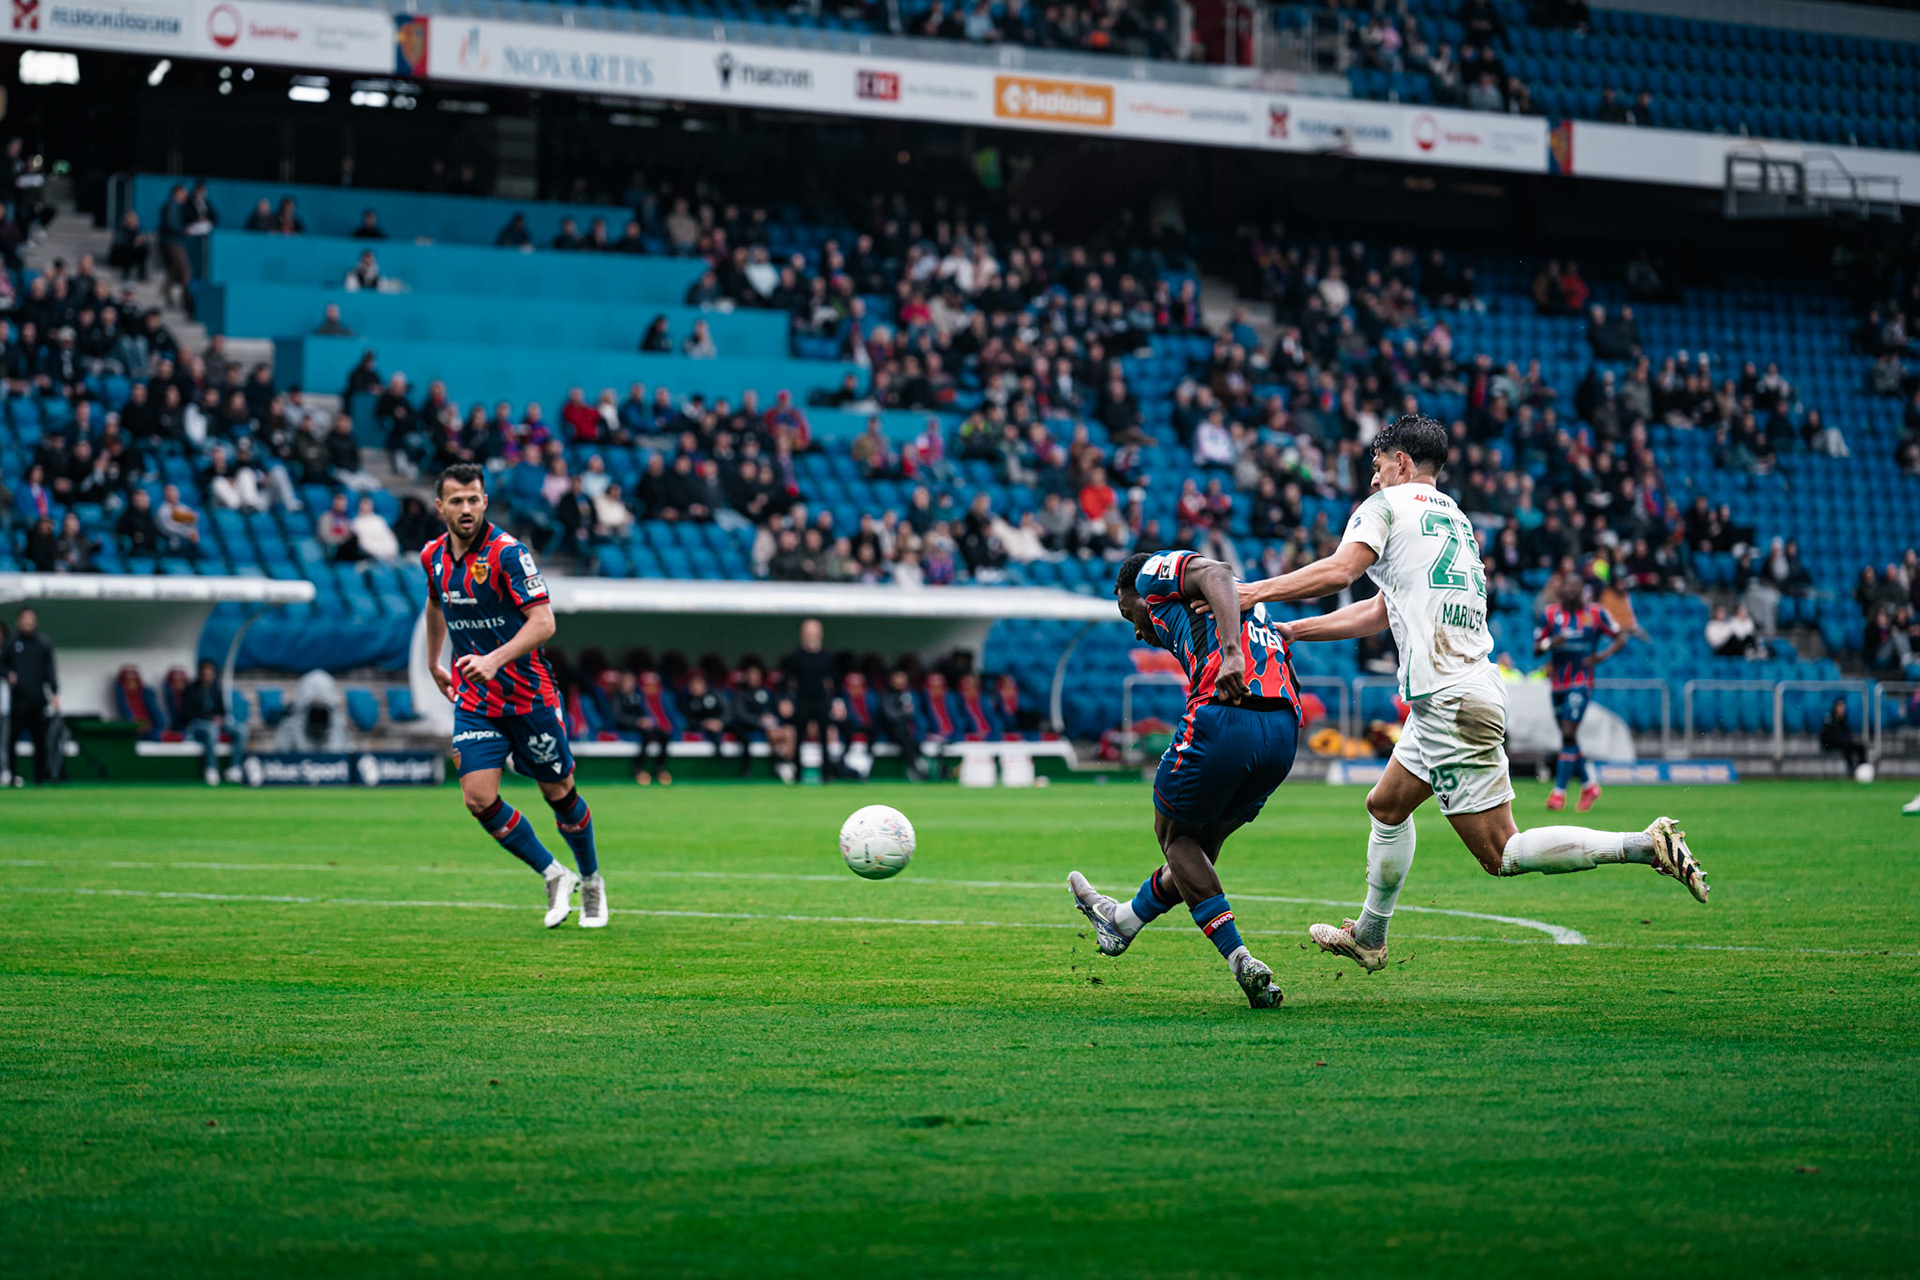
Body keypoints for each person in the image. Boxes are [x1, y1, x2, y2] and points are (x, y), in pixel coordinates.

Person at [1225, 414, 1708, 972]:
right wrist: (1294, 630)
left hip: (1448, 698)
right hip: (1461, 688)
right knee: (1386, 804)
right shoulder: (1455, 518)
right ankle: (1370, 936)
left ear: (1400, 462)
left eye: (1378, 466)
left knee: (1501, 852)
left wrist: (1252, 592)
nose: (1373, 479)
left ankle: (1645, 844)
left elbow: (1340, 571)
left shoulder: (1383, 508)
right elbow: (1384, 609)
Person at [1066, 548, 1300, 1009]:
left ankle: (1240, 959)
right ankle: (1122, 921)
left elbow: (1216, 570)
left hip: (1225, 713)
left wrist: (1231, 653)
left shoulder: (1153, 576)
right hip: (1283, 730)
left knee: (1173, 835)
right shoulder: (1231, 609)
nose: (1135, 626)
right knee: (1199, 854)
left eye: (1127, 611)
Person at [422, 463, 607, 928]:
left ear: (485, 501)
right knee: (477, 797)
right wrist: (432, 660)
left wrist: (493, 660)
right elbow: (434, 602)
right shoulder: (432, 557)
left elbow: (544, 623)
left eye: (474, 499)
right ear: (440, 506)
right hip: (477, 700)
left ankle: (592, 880)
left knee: (559, 793)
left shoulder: (508, 554)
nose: (466, 508)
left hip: (528, 696)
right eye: (456, 500)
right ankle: (553, 873)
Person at [1534, 573, 1625, 811]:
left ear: (1583, 590)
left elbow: (1620, 636)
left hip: (1581, 681)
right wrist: (1550, 643)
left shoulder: (1595, 613)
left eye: (1578, 586)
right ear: (1562, 590)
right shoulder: (1551, 614)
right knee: (1569, 738)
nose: (1573, 590)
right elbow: (1536, 648)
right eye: (1569, 586)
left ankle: (1558, 793)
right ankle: (1589, 785)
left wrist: (1601, 656)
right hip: (1557, 685)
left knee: (1568, 732)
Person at [779, 618, 851, 782]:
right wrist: (785, 700)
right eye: (808, 630)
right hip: (802, 701)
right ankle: (797, 774)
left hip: (821, 702)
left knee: (825, 738)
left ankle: (827, 774)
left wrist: (838, 702)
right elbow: (787, 681)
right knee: (799, 738)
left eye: (814, 630)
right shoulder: (796, 656)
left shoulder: (827, 656)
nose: (811, 634)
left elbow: (835, 682)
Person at [3, 607, 58, 786]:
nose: (27, 622)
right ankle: (11, 776)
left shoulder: (43, 643)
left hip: (37, 699)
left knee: (40, 742)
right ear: (19, 621)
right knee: (12, 741)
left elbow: (50, 670)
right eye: (24, 619)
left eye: (30, 618)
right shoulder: (11, 643)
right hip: (17, 700)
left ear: (35, 621)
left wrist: (55, 693)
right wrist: (8, 673)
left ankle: (39, 779)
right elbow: (1, 664)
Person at [180, 658, 247, 785]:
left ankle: (234, 768)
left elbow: (223, 710)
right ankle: (211, 768)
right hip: (196, 724)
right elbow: (187, 713)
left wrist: (219, 718)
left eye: (209, 673)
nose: (207, 676)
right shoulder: (190, 690)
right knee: (211, 729)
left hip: (216, 723)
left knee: (241, 730)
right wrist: (209, 719)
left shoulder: (216, 690)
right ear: (200, 673)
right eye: (205, 673)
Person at [609, 669, 675, 786]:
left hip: (641, 726)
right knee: (646, 735)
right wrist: (637, 721)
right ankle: (639, 769)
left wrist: (646, 720)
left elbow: (644, 712)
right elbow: (617, 717)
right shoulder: (617, 697)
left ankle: (660, 769)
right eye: (625, 682)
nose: (627, 684)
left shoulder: (637, 696)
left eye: (630, 682)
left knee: (664, 735)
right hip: (626, 727)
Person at [1820, 697, 1868, 777]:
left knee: (1860, 746)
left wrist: (1852, 739)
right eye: (1840, 708)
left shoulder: (1844, 720)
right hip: (1830, 743)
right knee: (1846, 745)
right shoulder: (1829, 719)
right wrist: (1848, 739)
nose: (1841, 710)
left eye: (1843, 708)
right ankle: (1851, 768)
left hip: (1843, 742)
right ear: (1835, 708)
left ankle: (1862, 766)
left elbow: (1847, 733)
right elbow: (1830, 735)